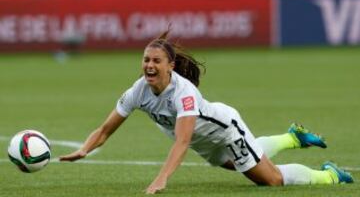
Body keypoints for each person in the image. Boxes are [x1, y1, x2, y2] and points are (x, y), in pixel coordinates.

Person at [59, 31, 354, 194]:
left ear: (170, 65)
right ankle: (292, 138)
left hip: (225, 130)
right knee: (240, 163)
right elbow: (105, 129)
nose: (149, 65)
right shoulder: (138, 90)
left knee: (271, 180)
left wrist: (162, 178)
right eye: (146, 59)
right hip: (206, 143)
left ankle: (329, 176)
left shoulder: (183, 92)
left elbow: (182, 141)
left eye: (156, 61)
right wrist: (84, 149)